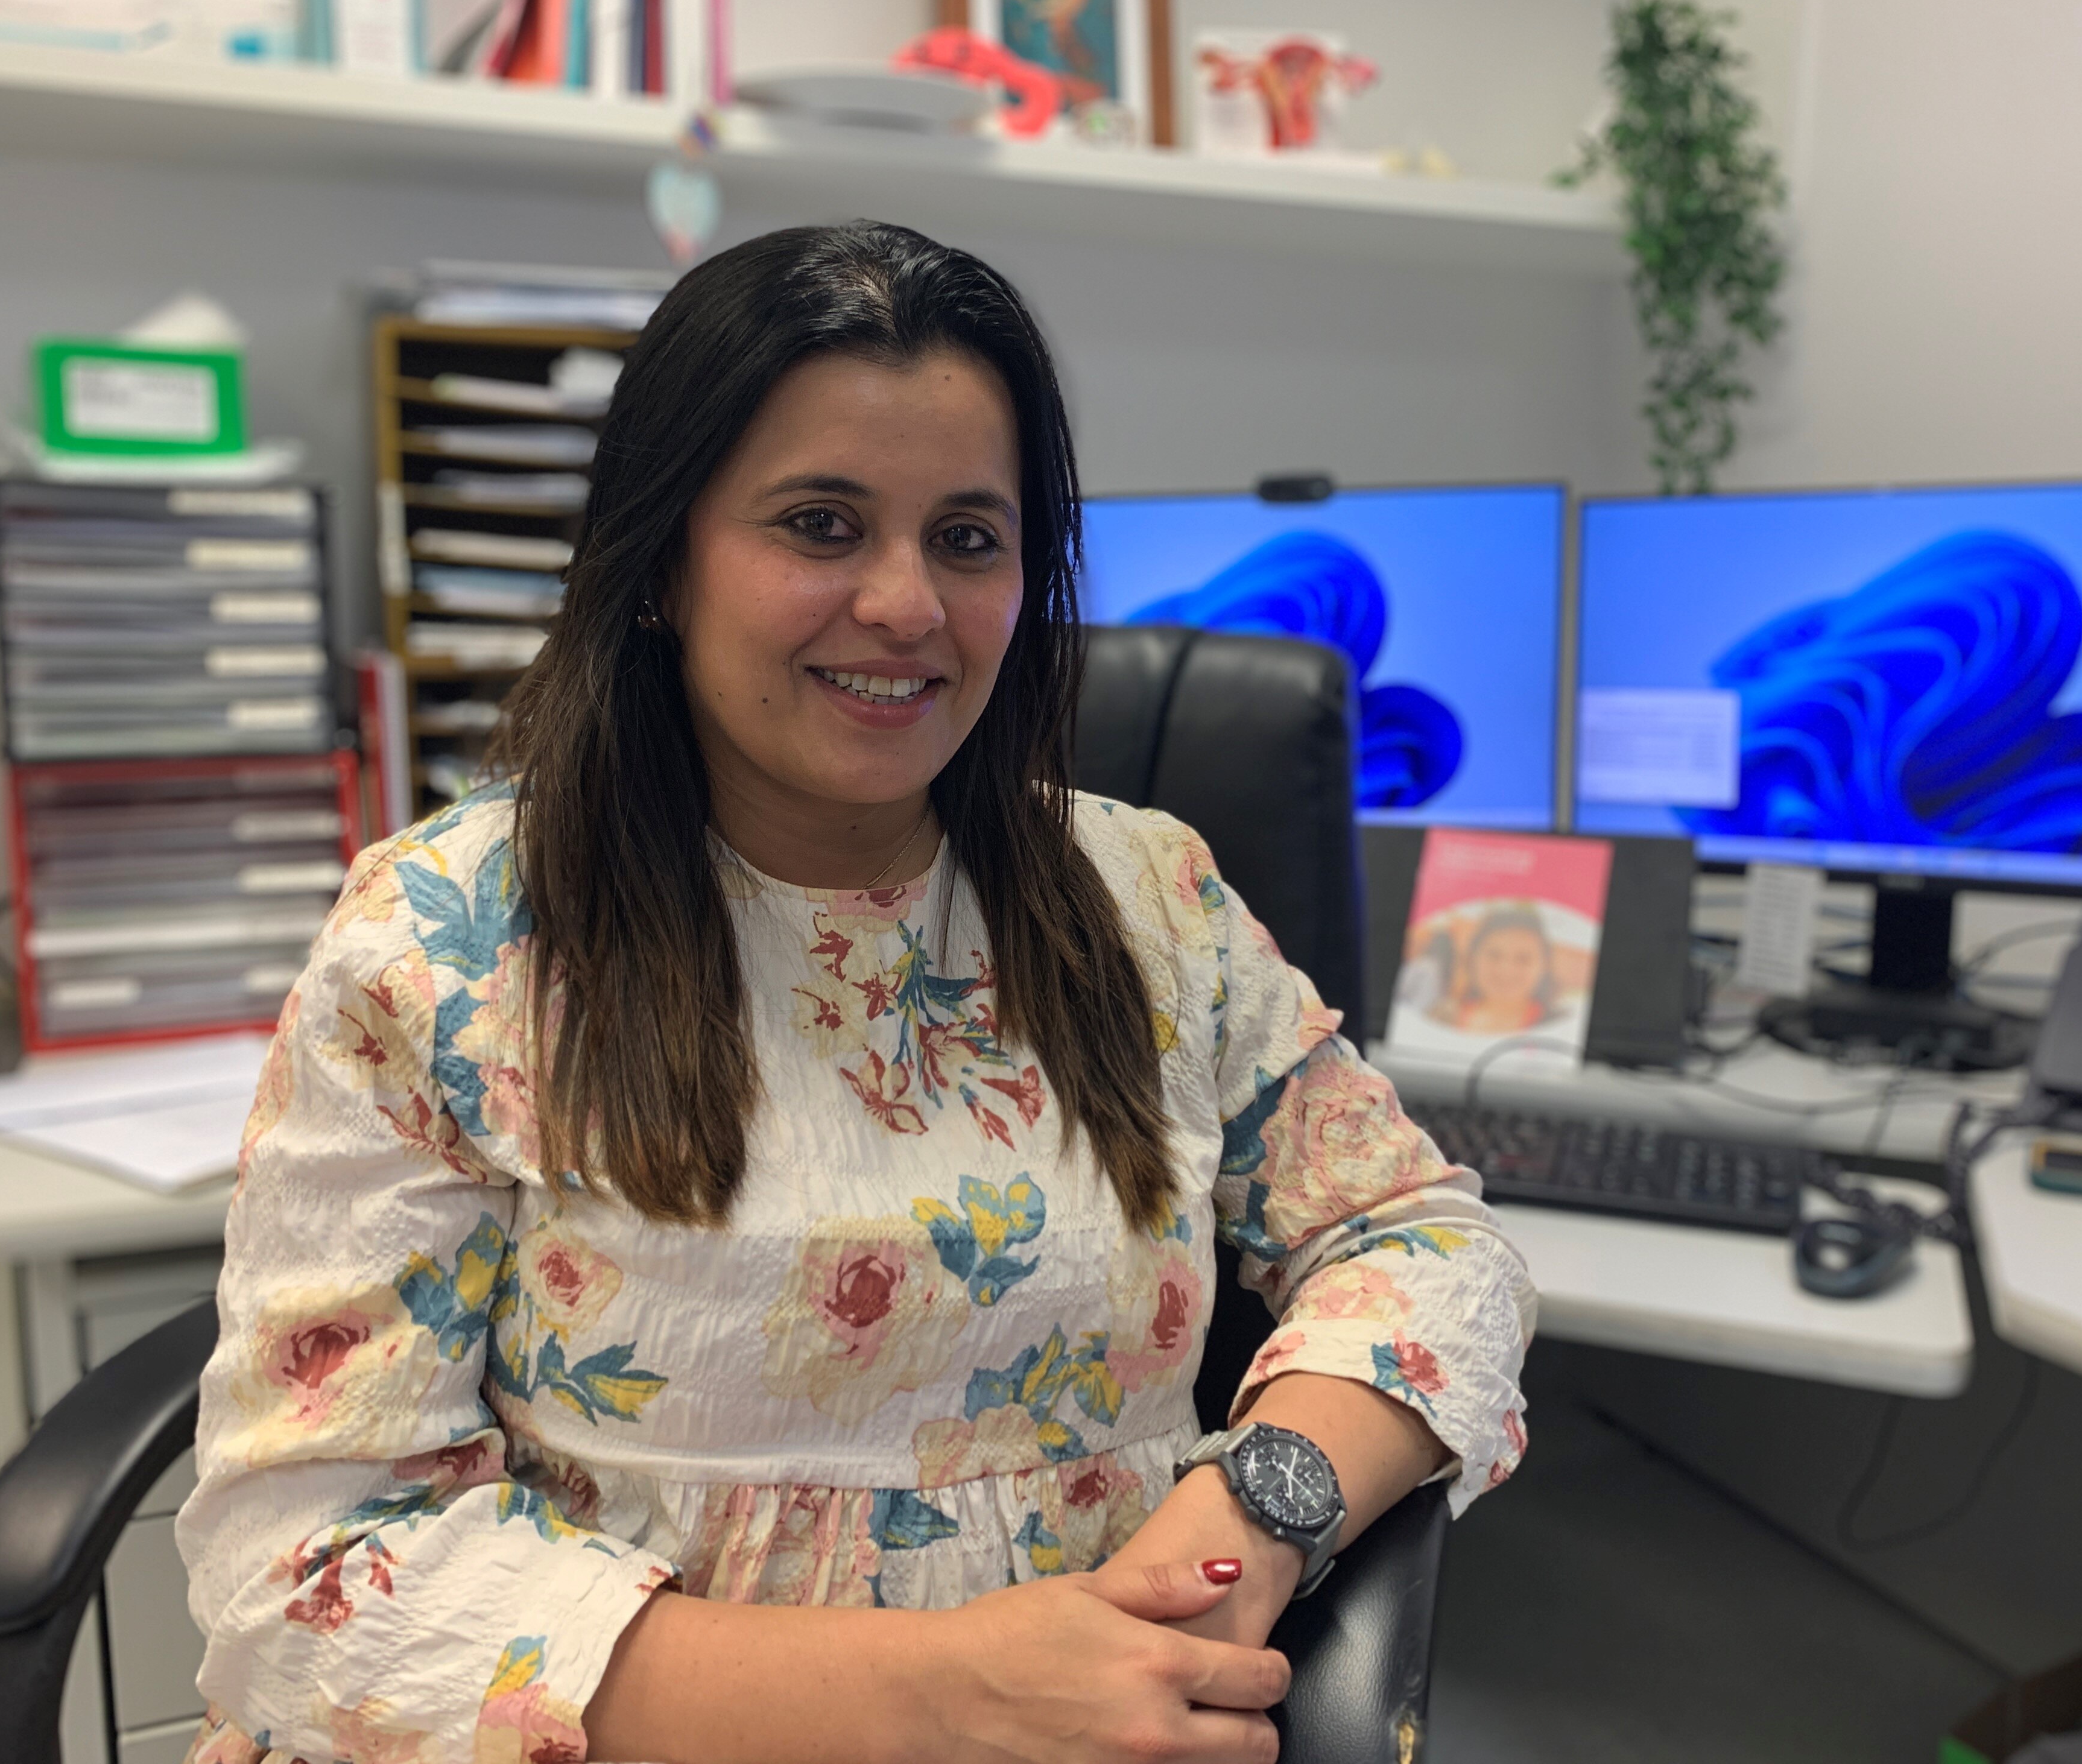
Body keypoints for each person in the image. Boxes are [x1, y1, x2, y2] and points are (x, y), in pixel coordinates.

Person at [176, 221, 1536, 1764]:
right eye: (821, 524)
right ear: (663, 562)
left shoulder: (1147, 901)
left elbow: (1423, 1244)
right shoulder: (445, 941)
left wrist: (1247, 1529)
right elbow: (309, 1572)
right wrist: (942, 1695)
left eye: (968, 537)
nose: (906, 605)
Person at [1446, 904, 1559, 1035]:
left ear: (1544, 966)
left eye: (1523, 959)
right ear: (1473, 958)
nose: (1506, 970)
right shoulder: (1444, 1017)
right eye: (1494, 955)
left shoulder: (1558, 1025)